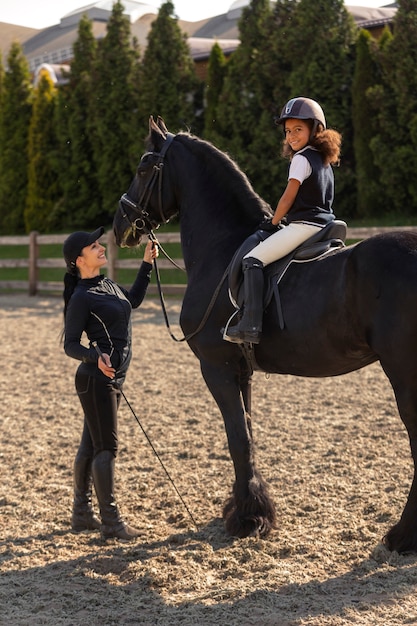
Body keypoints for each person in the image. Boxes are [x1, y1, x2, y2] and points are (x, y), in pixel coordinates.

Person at [62, 227, 158, 540]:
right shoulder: (81, 297)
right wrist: (94, 356)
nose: (101, 246)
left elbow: (132, 301)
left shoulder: (106, 284)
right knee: (106, 447)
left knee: (90, 443)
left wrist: (146, 264)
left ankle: (81, 514)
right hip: (96, 379)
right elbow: (70, 344)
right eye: (93, 246)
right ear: (79, 260)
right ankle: (112, 523)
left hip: (112, 378)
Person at [225, 96, 342, 345]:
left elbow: (289, 196)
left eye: (298, 129)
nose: (291, 136)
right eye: (288, 131)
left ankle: (250, 324)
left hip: (304, 226)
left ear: (315, 129)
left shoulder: (300, 159)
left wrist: (274, 221)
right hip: (325, 224)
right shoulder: (323, 159)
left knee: (252, 259)